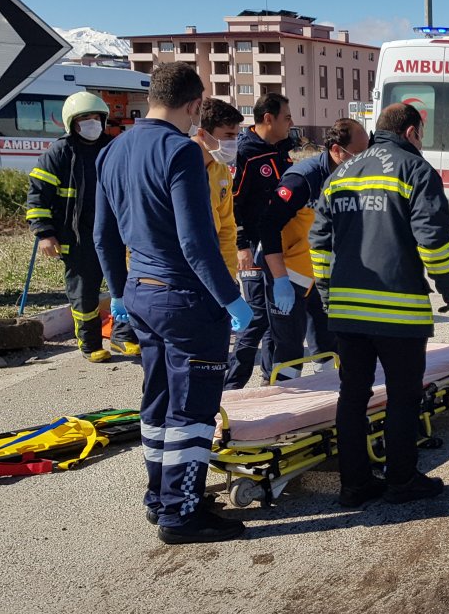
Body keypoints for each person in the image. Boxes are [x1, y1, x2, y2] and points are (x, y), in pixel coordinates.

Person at [94, 62, 254, 544]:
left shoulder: (113, 149)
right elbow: (196, 242)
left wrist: (119, 292)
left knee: (159, 400)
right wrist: (233, 301)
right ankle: (182, 514)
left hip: (141, 295)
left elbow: (103, 237)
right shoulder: (179, 151)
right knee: (193, 408)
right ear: (193, 105)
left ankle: (160, 498)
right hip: (185, 299)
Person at [310, 103, 449, 507]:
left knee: (353, 397)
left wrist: (327, 294)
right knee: (403, 396)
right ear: (411, 132)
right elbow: (432, 238)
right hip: (398, 312)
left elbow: (319, 242)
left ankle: (354, 485)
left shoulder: (341, 172)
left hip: (346, 311)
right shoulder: (415, 170)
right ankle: (401, 480)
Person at [25, 91, 140, 362]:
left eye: (96, 117)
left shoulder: (113, 147)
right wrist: (44, 233)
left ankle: (123, 336)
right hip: (77, 236)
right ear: (72, 122)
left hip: (115, 232)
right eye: (84, 118)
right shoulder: (60, 152)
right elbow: (38, 194)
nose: (92, 123)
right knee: (84, 292)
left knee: (123, 286)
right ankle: (90, 343)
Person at [257, 118, 369, 381]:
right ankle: (282, 397)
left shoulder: (351, 177)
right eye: (360, 154)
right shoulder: (302, 180)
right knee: (289, 347)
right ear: (337, 150)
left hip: (319, 270)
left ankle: (326, 396)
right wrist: (280, 279)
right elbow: (268, 225)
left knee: (328, 341)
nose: (365, 161)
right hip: (288, 270)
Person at [225, 92, 294, 389]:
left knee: (274, 316)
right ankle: (231, 386)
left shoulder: (280, 150)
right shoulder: (245, 153)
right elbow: (232, 204)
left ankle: (271, 380)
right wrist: (241, 245)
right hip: (252, 245)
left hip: (277, 244)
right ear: (269, 118)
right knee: (257, 317)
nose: (292, 123)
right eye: (287, 117)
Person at [192, 98, 243, 278]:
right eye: (228, 136)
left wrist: (229, 275)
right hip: (181, 272)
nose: (234, 143)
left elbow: (227, 227)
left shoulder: (221, 170)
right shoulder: (180, 165)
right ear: (203, 134)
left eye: (237, 136)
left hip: (212, 269)